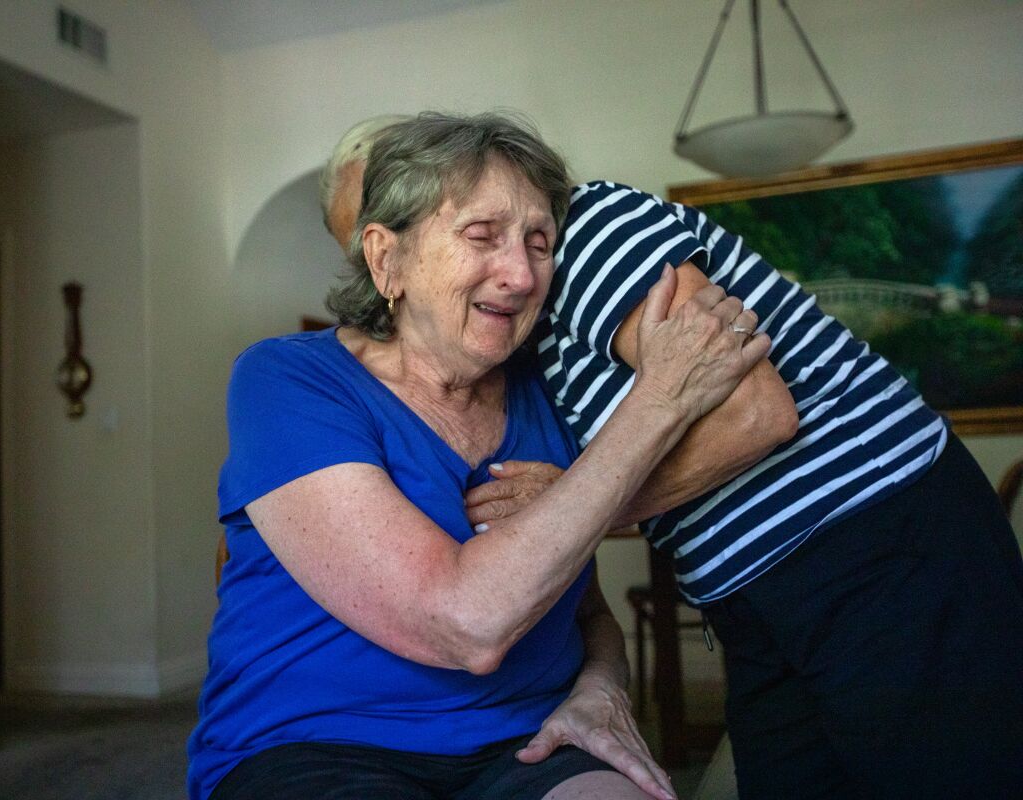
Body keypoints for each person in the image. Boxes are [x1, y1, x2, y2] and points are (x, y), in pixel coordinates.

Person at [325, 116, 1023, 799]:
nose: (375, 272)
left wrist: (573, 505)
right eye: (360, 249)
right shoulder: (511, 330)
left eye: (383, 231)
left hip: (878, 538)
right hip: (758, 589)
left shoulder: (592, 232)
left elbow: (758, 414)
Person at [188, 112, 777, 800]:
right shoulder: (286, 381)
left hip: (528, 742)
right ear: (387, 260)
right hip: (317, 745)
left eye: (539, 242)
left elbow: (585, 613)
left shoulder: (549, 396)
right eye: (482, 236)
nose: (522, 275)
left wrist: (599, 687)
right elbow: (463, 625)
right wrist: (659, 402)